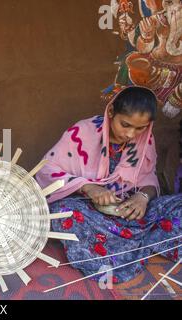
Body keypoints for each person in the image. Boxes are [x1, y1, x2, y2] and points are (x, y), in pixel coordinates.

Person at [36, 86, 180, 283]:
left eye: (140, 128)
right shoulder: (82, 132)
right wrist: (88, 187)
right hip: (89, 211)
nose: (131, 134)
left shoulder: (145, 140)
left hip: (128, 212)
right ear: (111, 112)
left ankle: (132, 243)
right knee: (64, 213)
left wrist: (142, 197)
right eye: (125, 124)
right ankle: (137, 245)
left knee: (177, 205)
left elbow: (149, 179)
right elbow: (47, 169)